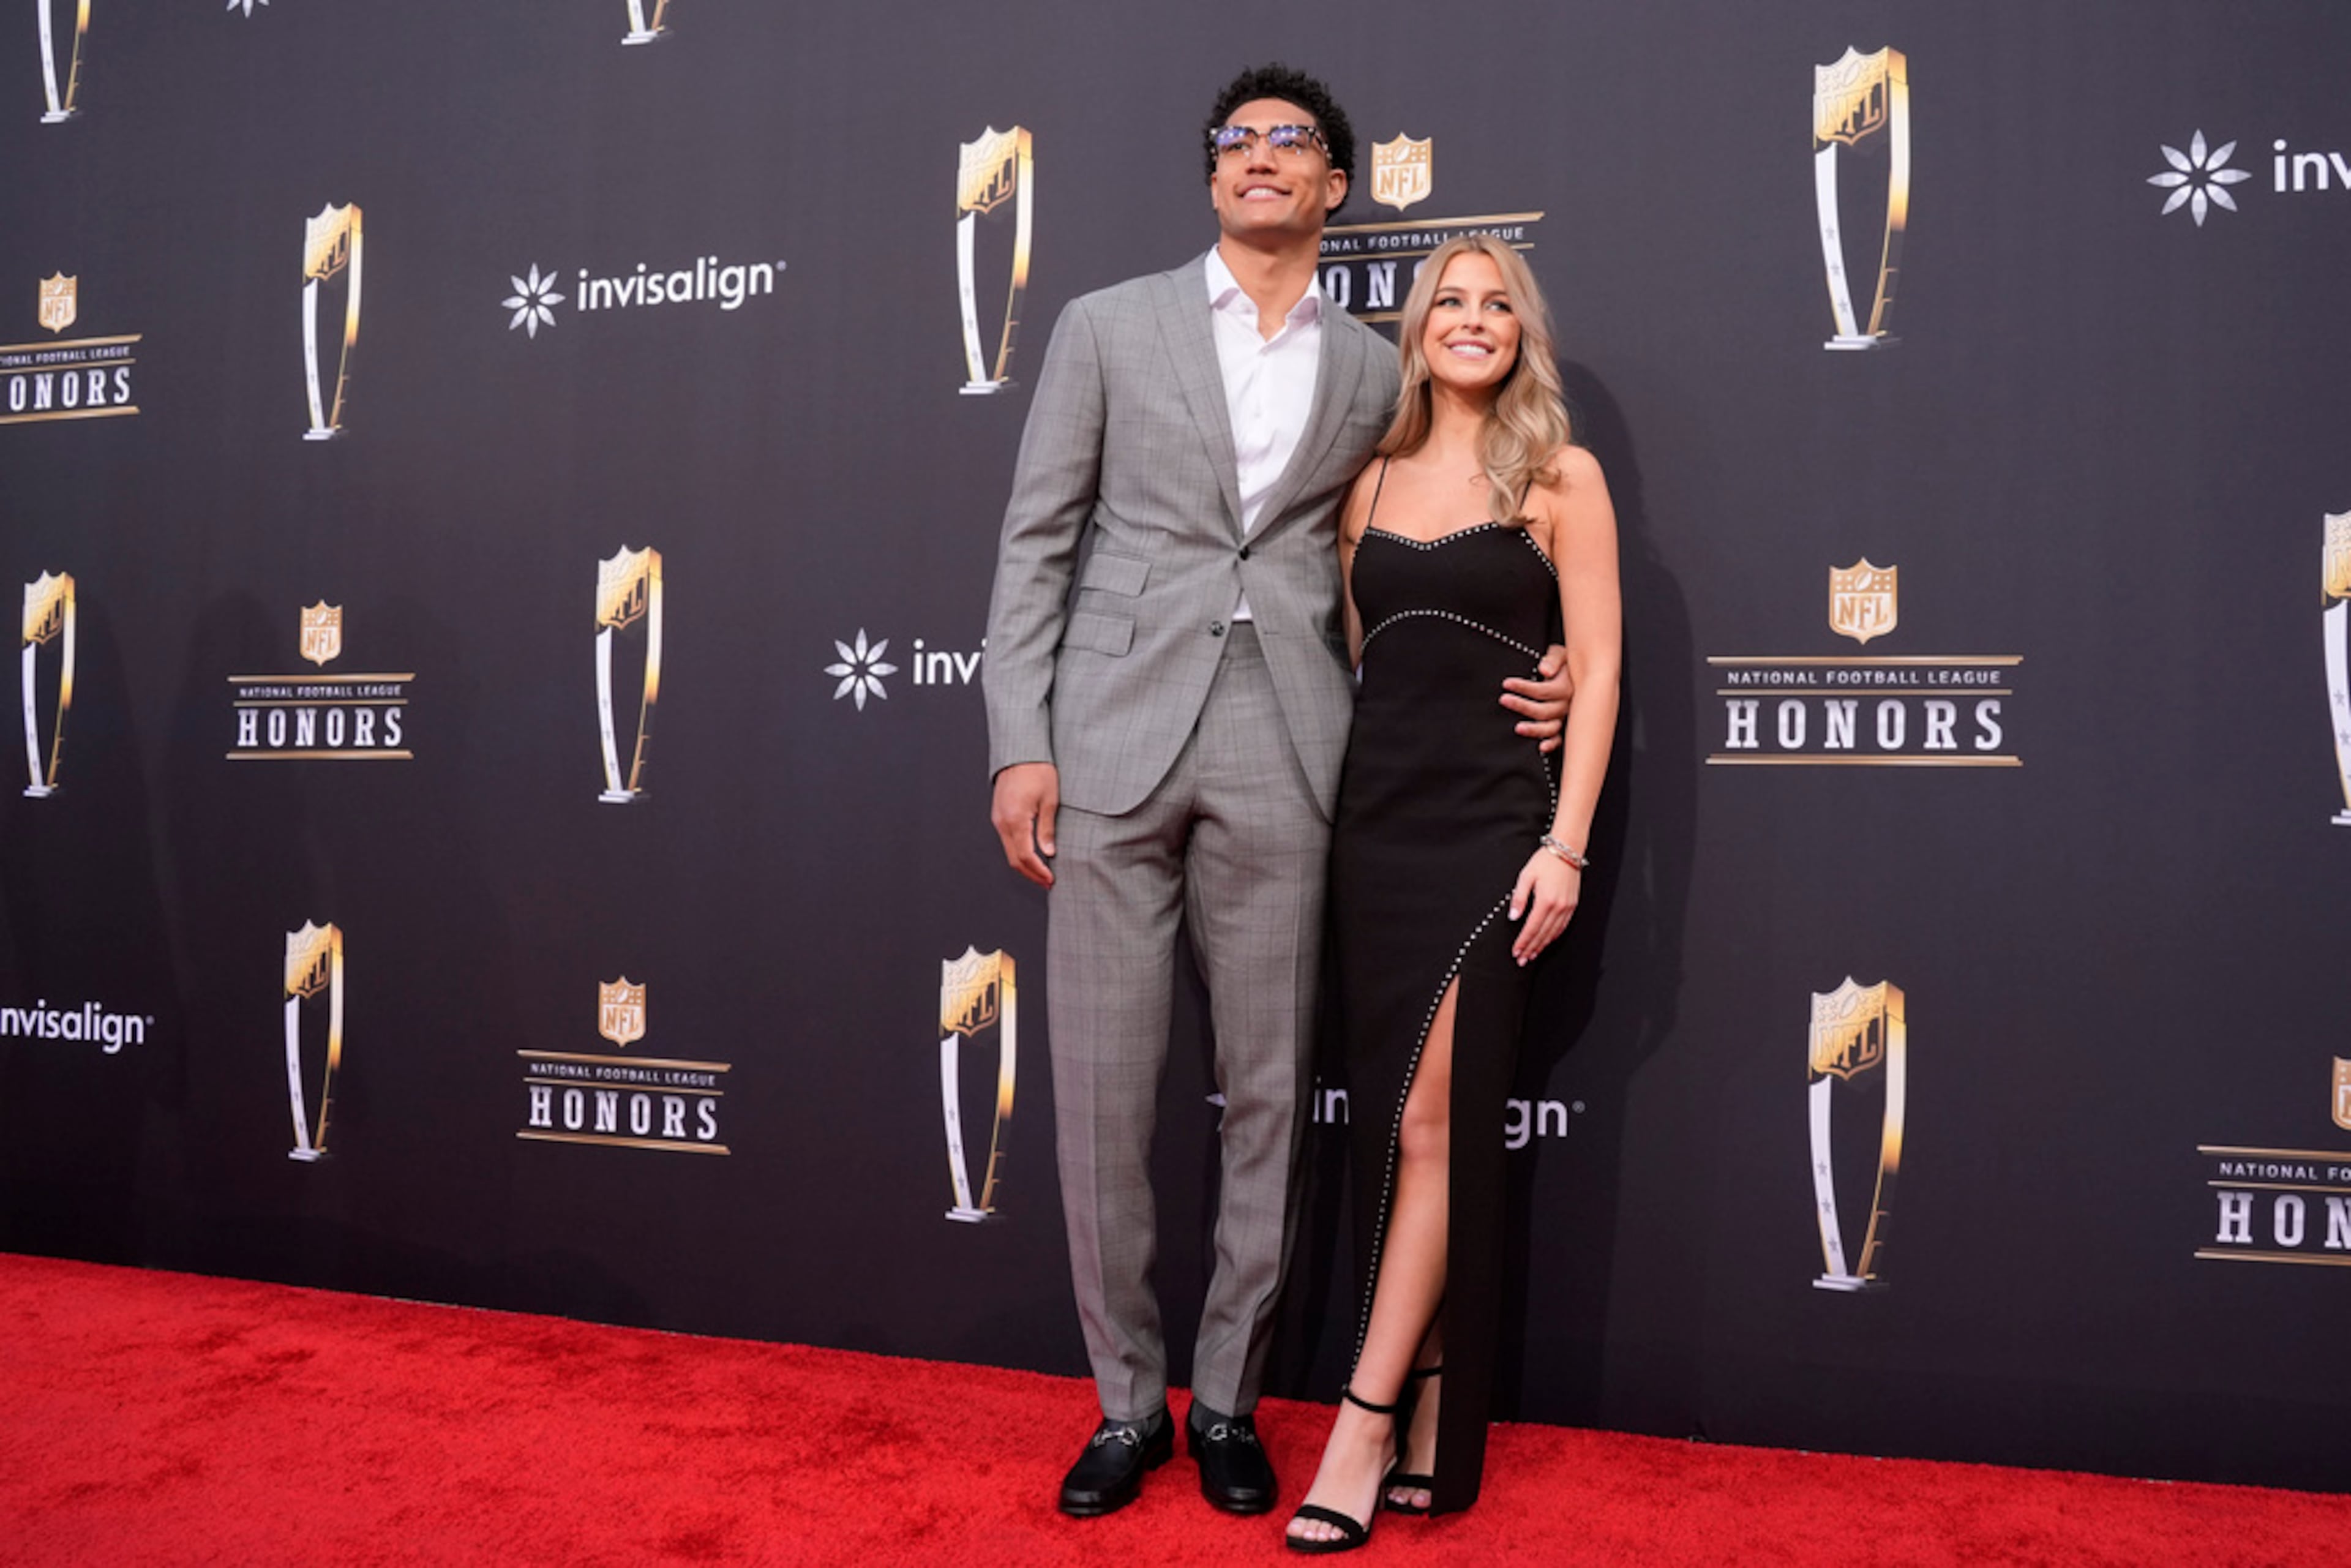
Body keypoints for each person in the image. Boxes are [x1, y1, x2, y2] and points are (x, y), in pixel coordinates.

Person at [983, 69, 1571, 1520]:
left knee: (1266, 1098)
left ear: (1334, 186)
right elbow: (1035, 541)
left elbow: (1451, 527)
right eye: (1233, 142)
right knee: (1104, 1103)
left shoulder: (1383, 371)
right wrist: (1019, 737)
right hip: (1111, 742)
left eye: (1288, 142)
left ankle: (1232, 1398)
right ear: (1211, 179)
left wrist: (1543, 662)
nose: (1258, 159)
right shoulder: (1104, 326)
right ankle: (1129, 1405)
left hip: (1297, 746)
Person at [1284, 235, 1621, 1552]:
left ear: (1521, 334)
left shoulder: (1559, 475)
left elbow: (1591, 674)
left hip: (1497, 835)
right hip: (1378, 835)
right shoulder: (1360, 484)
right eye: (1449, 304)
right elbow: (1369, 665)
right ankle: (1430, 1400)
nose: (1472, 322)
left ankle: (1361, 1421)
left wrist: (1569, 844)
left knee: (1434, 1125)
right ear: (1416, 329)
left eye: (1498, 306)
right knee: (1397, 1132)